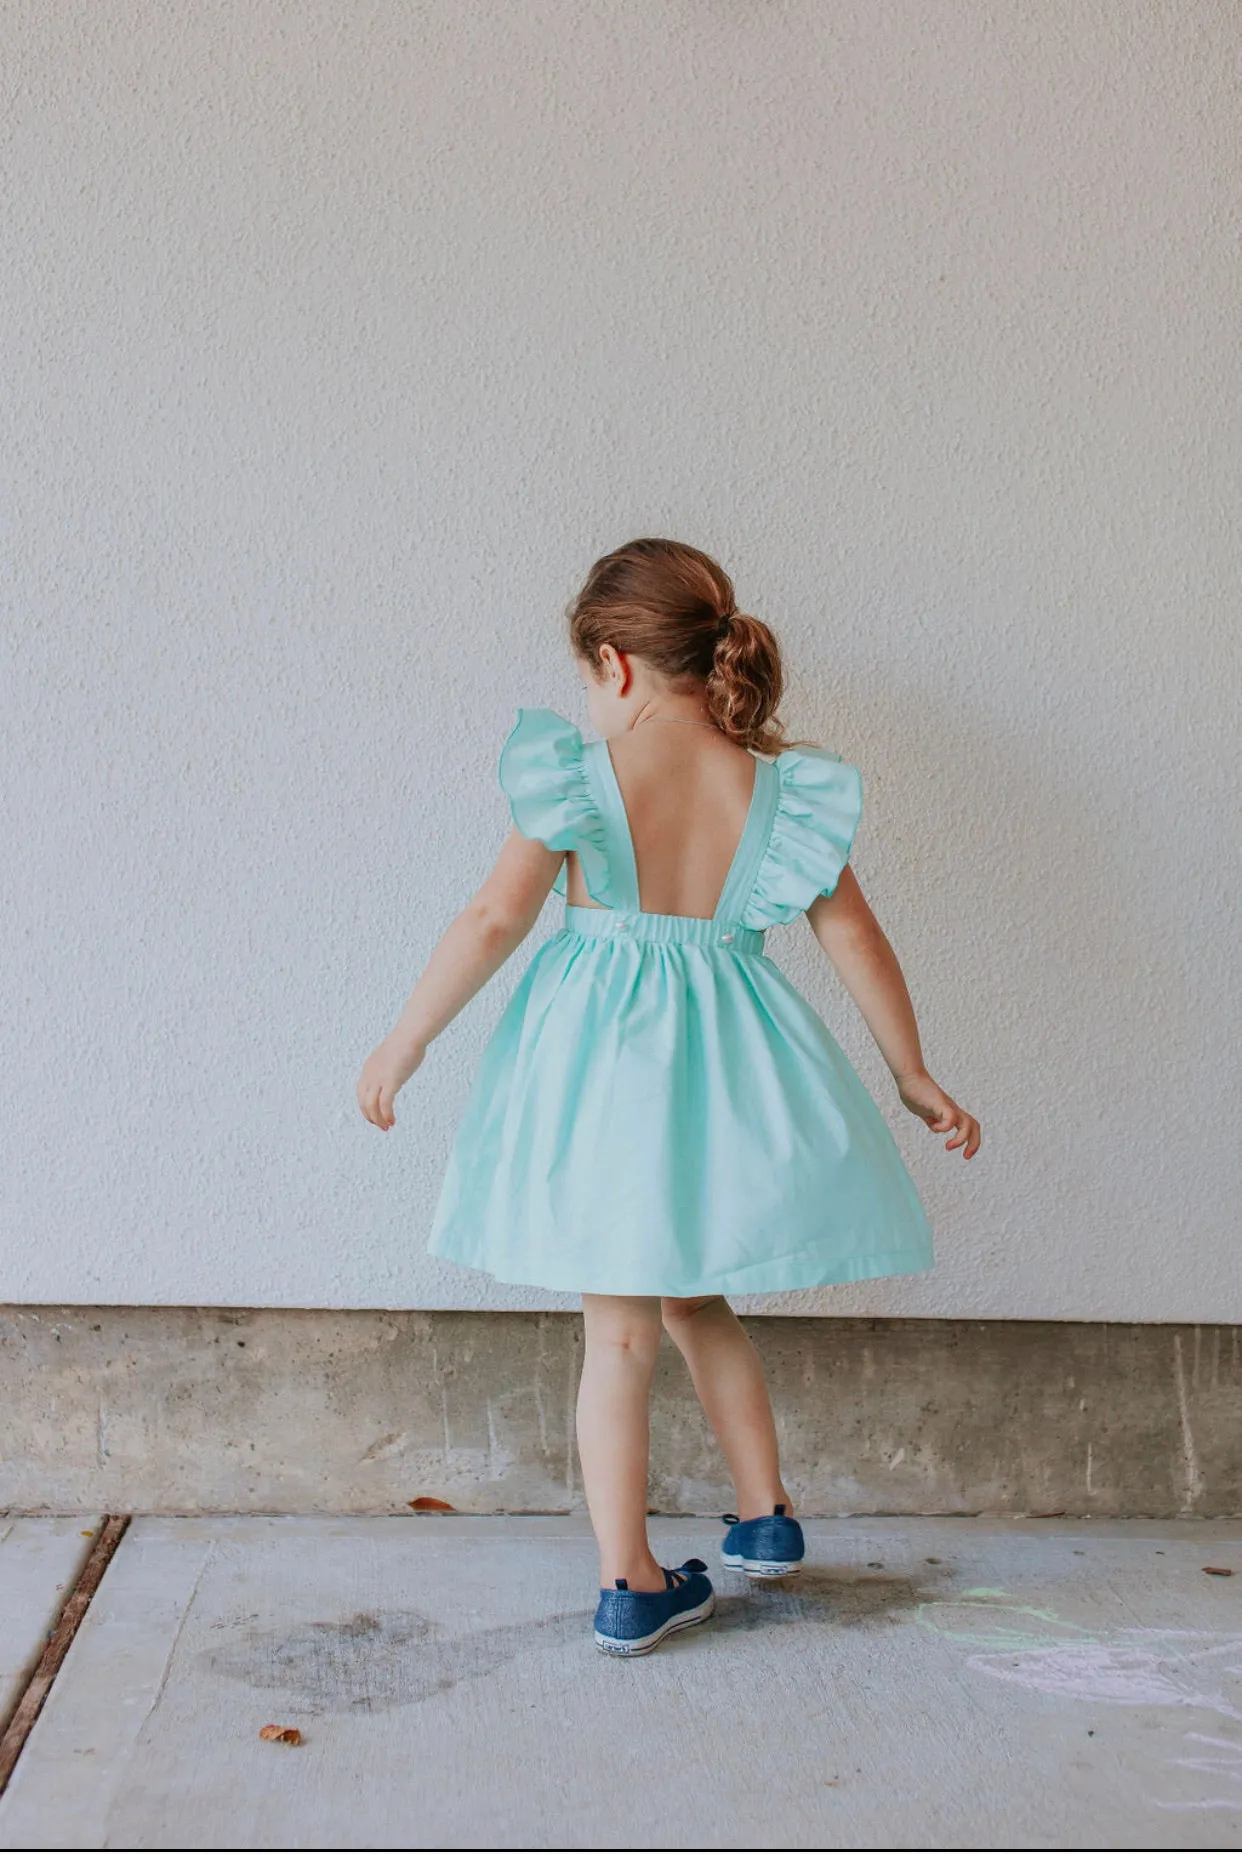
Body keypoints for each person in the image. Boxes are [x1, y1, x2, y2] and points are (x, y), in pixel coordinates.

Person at [357, 537, 980, 1657]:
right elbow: (853, 933)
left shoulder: (585, 779)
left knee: (621, 1335)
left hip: (604, 1087)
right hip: (727, 1080)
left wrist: (405, 1043)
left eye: (589, 682)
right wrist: (911, 1072)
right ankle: (766, 1514)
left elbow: (492, 921)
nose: (589, 703)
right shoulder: (776, 790)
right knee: (700, 1299)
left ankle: (631, 1580)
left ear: (618, 665)